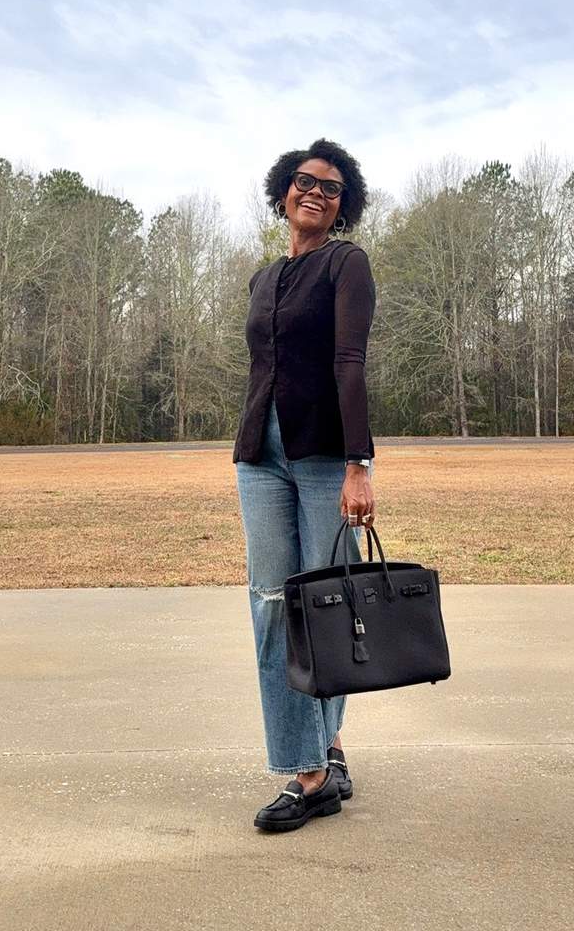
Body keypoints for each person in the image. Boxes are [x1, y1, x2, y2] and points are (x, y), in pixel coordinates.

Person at [233, 137, 377, 832]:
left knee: (325, 604)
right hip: (260, 457)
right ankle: (320, 756)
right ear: (283, 191)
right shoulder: (263, 279)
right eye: (304, 180)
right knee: (272, 605)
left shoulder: (347, 264)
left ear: (343, 205)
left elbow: (350, 360)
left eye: (331, 186)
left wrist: (358, 464)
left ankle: (313, 772)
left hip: (325, 458)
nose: (315, 191)